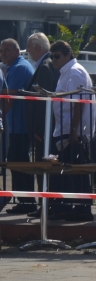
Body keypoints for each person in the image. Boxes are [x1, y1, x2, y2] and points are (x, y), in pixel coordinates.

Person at [48, 40, 95, 222]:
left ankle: (82, 210)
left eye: (57, 56)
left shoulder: (74, 72)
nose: (53, 60)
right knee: (67, 173)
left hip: (72, 131)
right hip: (64, 129)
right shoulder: (65, 73)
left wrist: (74, 130)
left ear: (67, 55)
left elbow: (78, 104)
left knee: (77, 172)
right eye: (52, 57)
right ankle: (66, 209)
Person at [1, 39, 38, 215]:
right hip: (17, 126)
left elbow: (8, 99)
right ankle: (23, 199)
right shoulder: (17, 66)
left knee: (20, 164)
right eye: (1, 51)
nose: (3, 54)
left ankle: (26, 201)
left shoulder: (18, 68)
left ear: (17, 51)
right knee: (17, 163)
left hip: (19, 126)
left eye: (6, 50)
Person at [24, 34, 58, 219]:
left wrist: (39, 129)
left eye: (29, 47)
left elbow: (44, 102)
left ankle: (45, 205)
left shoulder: (44, 67)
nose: (27, 51)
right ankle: (45, 205)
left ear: (37, 47)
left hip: (42, 131)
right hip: (44, 129)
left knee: (42, 167)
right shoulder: (47, 64)